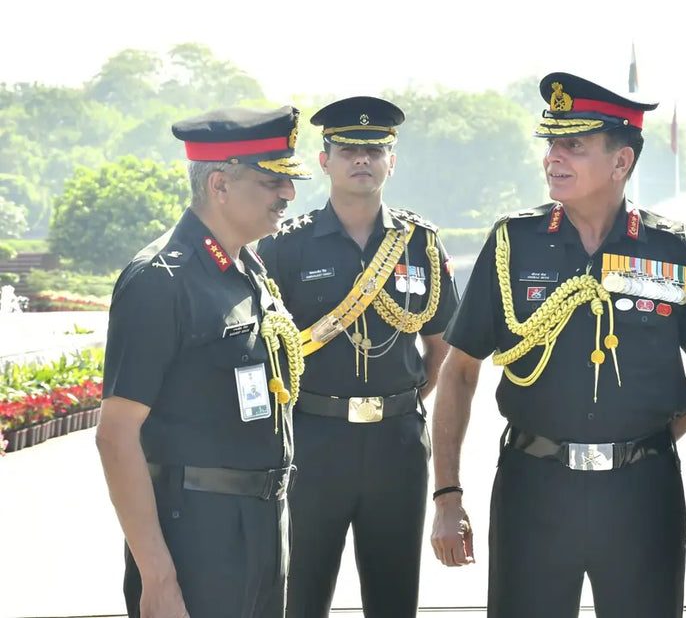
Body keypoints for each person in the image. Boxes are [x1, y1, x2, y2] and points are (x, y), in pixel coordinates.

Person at [429, 72, 686, 618]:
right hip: (534, 488)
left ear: (621, 163)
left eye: (575, 145)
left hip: (642, 494)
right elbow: (460, 373)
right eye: (551, 143)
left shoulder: (676, 251)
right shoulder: (512, 244)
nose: (553, 158)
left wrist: (647, 442)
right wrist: (447, 495)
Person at [96, 105, 312, 618]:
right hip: (197, 533)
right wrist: (159, 578)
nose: (289, 195)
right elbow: (116, 434)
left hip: (260, 523)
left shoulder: (246, 265)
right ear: (219, 184)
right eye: (271, 182)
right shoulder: (161, 279)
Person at [257, 96, 459, 618]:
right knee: (300, 592)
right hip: (313, 440)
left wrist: (405, 399)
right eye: (348, 149)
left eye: (375, 149)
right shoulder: (285, 247)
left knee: (394, 597)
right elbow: (265, 348)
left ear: (393, 160)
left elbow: (441, 348)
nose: (362, 160)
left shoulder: (422, 246)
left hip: (396, 443)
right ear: (324, 161)